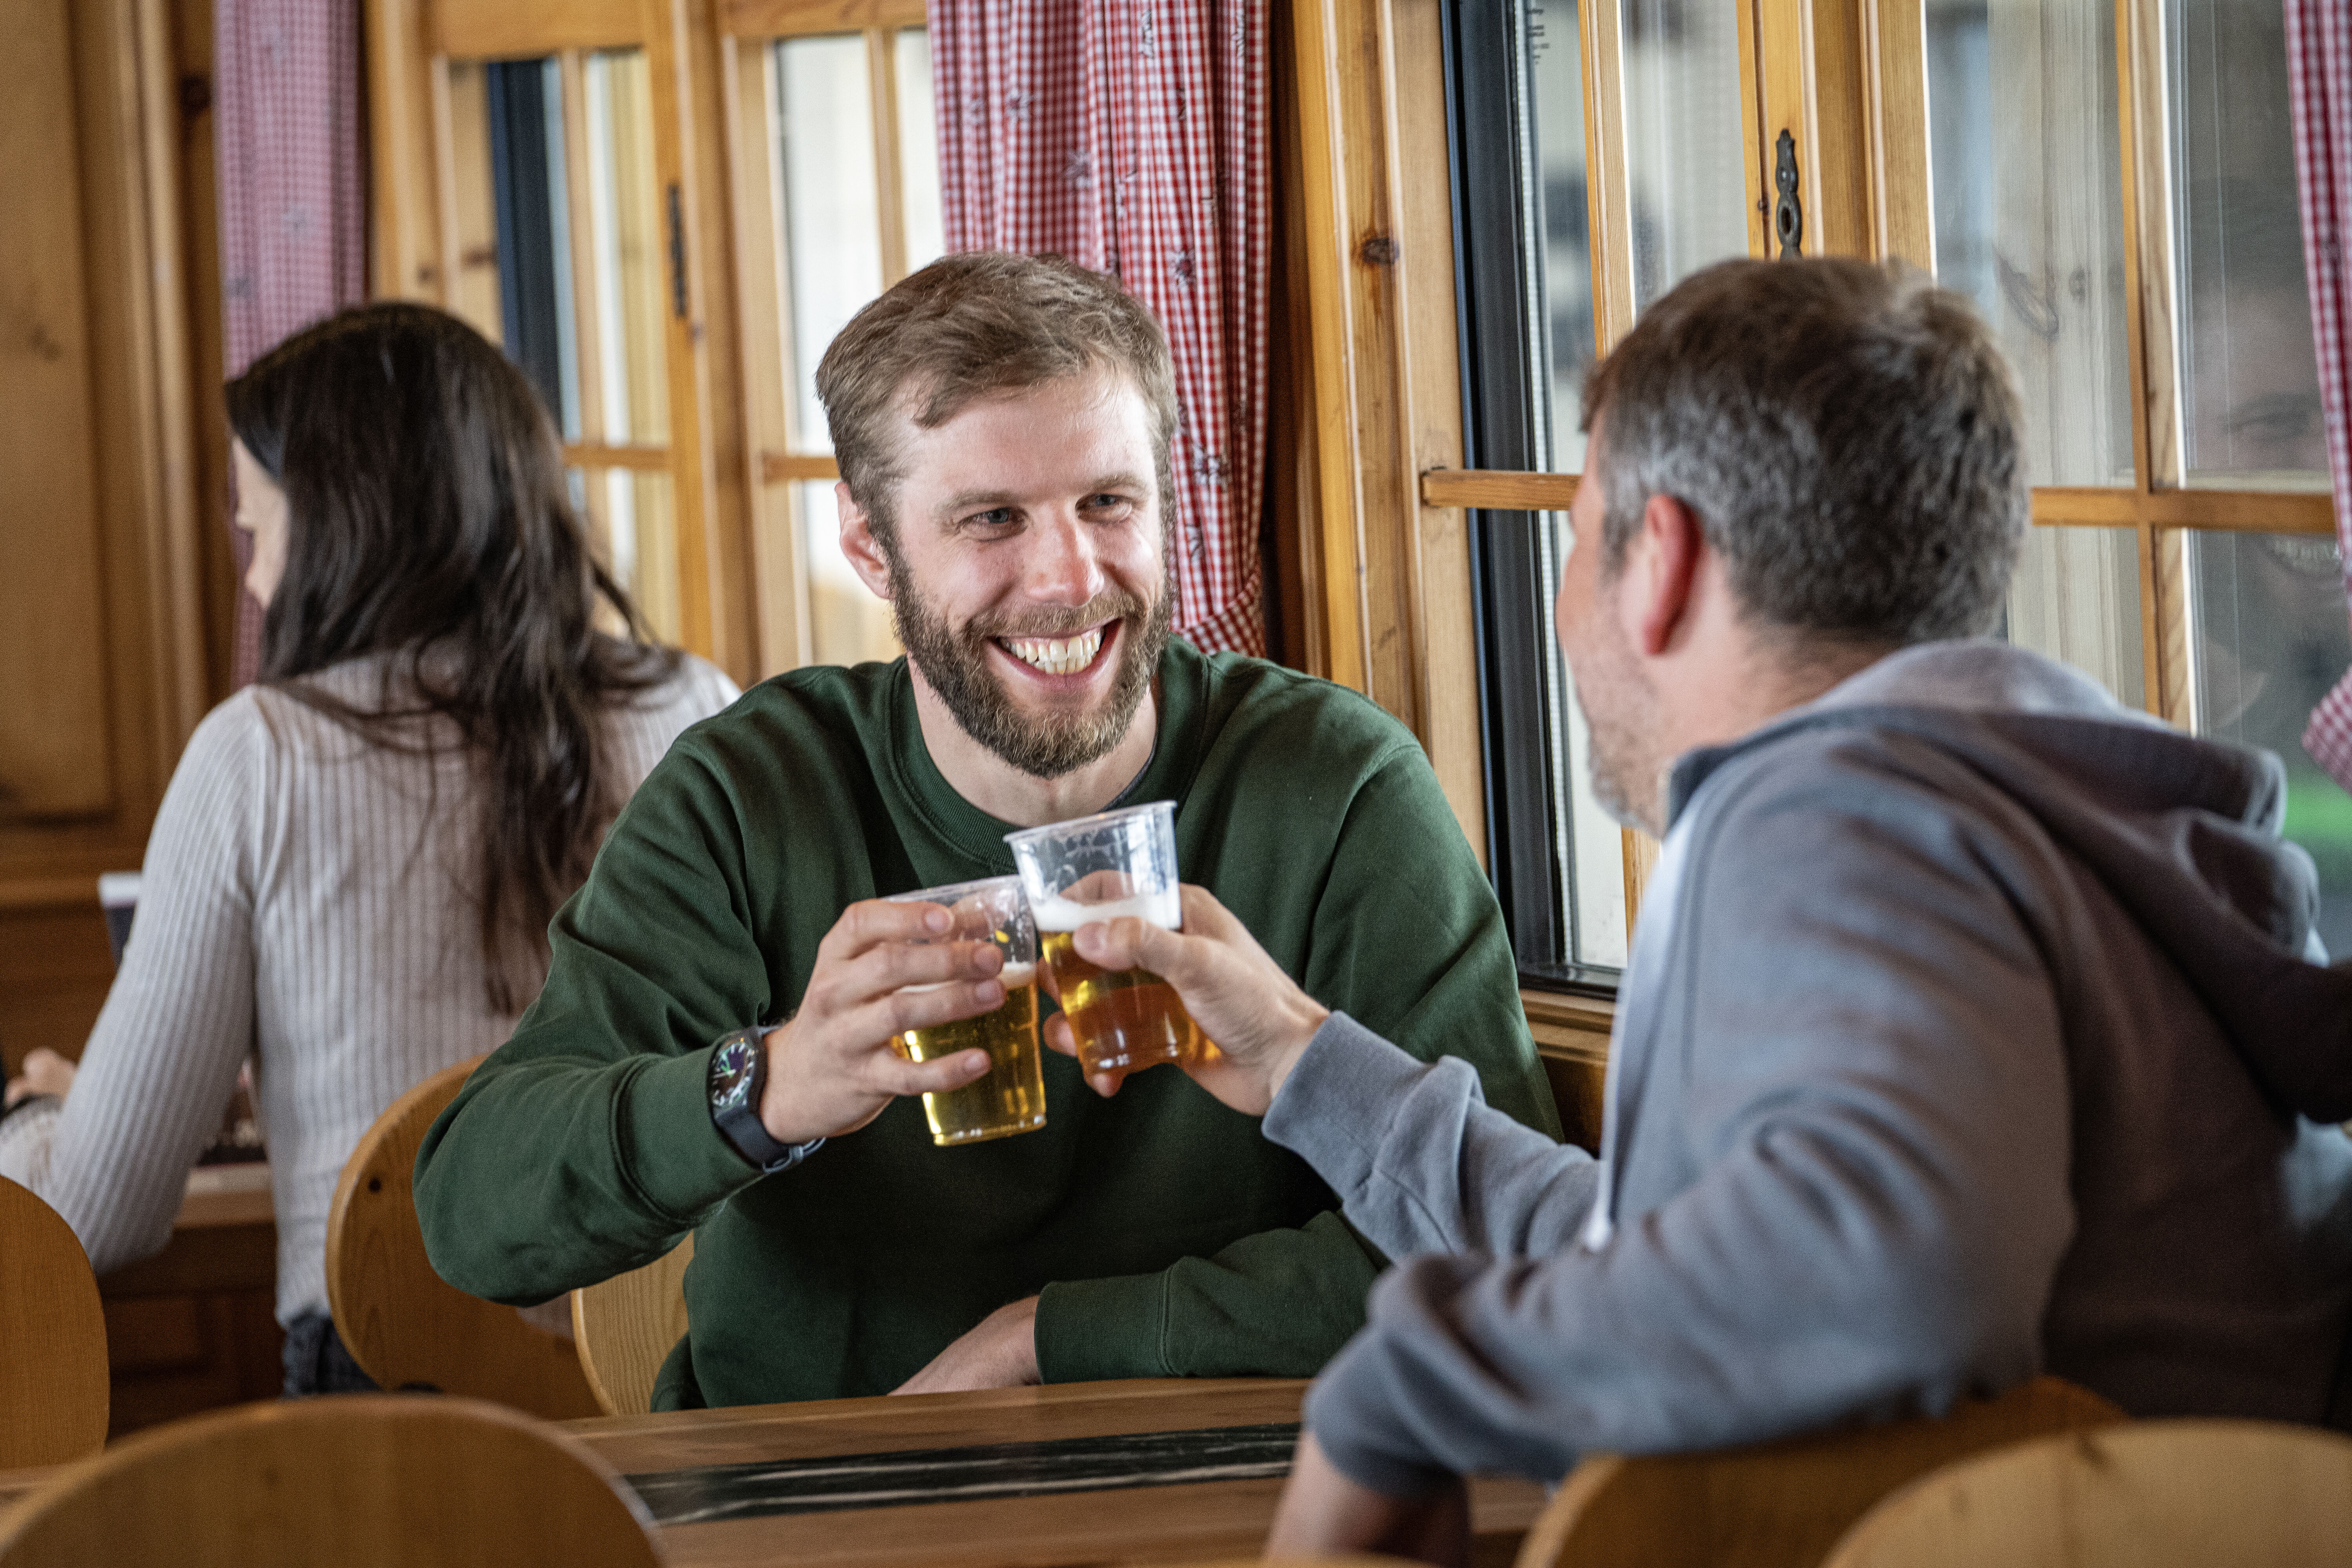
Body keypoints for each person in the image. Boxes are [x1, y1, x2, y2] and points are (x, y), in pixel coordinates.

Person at [1049, 257, 2352, 1558]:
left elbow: (1876, 1273)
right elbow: (1676, 1264)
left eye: (1578, 535)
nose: (1566, 601)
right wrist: (1303, 1062)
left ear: (1660, 560)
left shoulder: (1824, 817)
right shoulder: (2030, 811)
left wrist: (1411, 1390)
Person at [411, 252, 1559, 1408]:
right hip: (825, 1484)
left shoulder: (1337, 785)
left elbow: (1511, 1247)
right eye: (993, 519)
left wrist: (1052, 1341)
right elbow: (474, 1219)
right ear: (872, 546)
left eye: (1108, 503)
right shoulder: (750, 792)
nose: (1067, 577)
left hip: (1227, 1479)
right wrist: (771, 1086)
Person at [0, 303, 739, 1394]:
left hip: (391, 1396)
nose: (255, 583)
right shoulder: (697, 705)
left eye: (260, 533)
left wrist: (40, 1118)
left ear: (343, 530)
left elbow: (95, 1214)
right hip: (672, 1375)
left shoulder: (260, 756)